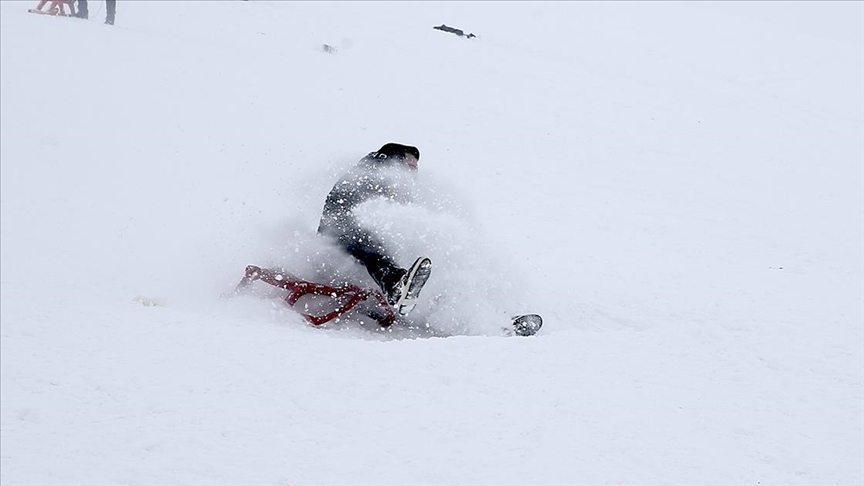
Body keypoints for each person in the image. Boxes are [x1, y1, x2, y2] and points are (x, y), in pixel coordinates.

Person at [317, 143, 432, 316]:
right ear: (394, 160)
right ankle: (395, 286)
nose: (412, 173)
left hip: (349, 244)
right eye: (409, 166)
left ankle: (417, 291)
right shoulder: (373, 170)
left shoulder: (380, 179)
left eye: (415, 169)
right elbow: (348, 205)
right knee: (367, 242)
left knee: (386, 243)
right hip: (333, 243)